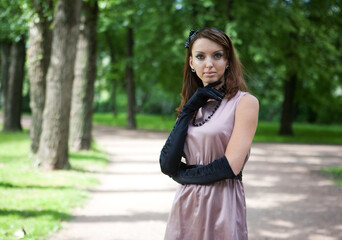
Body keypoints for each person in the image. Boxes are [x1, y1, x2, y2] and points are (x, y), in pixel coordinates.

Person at [159, 27, 259, 240]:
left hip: (222, 202)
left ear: (228, 60)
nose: (209, 64)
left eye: (217, 55)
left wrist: (183, 175)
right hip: (186, 202)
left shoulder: (245, 103)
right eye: (200, 56)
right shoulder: (192, 107)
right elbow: (167, 164)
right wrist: (187, 109)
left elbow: (230, 166)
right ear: (191, 63)